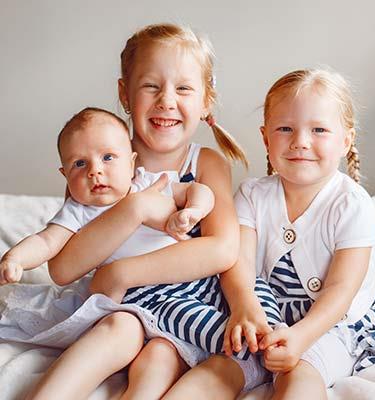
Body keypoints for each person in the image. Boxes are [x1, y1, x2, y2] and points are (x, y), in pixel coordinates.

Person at [0, 23, 261, 400]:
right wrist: (134, 209)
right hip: (118, 307)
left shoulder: (205, 163)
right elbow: (63, 268)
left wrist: (122, 272)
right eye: (151, 86)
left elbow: (222, 250)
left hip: (182, 305)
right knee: (120, 330)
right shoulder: (99, 164)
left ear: (206, 100)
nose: (166, 101)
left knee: (159, 358)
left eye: (183, 88)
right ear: (125, 93)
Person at [220, 68, 375, 400]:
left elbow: (341, 291)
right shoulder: (252, 195)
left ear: (346, 141)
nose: (300, 141)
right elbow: (238, 262)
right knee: (218, 368)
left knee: (299, 373)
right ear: (265, 138)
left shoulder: (351, 204)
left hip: (332, 323)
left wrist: (301, 338)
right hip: (264, 314)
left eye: (319, 130)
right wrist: (244, 306)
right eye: (285, 128)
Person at [0, 107, 214, 289]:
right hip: (126, 293)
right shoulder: (78, 210)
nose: (94, 171)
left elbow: (196, 190)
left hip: (180, 279)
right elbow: (45, 241)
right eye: (80, 163)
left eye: (108, 157)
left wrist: (195, 210)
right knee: (116, 322)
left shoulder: (147, 183)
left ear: (131, 163)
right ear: (65, 175)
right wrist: (16, 259)